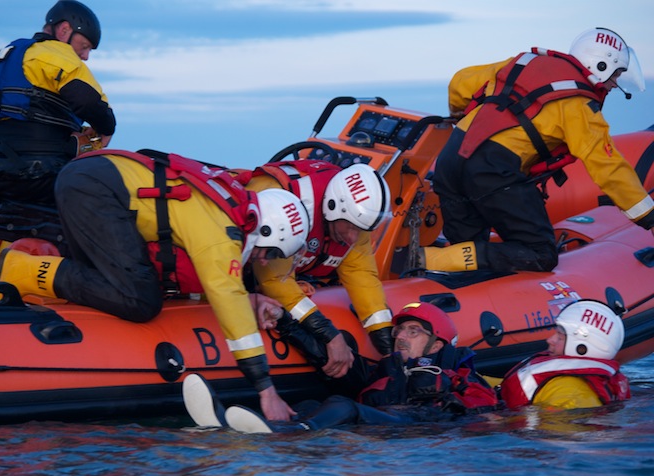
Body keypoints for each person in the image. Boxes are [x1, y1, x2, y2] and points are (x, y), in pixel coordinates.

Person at [0, 149, 311, 422]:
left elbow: (210, 278)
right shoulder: (221, 231)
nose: (266, 261)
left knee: (117, 282)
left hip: (95, 178)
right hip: (97, 188)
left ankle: (37, 281)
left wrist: (252, 300)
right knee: (139, 299)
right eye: (270, 252)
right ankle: (21, 268)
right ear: (265, 229)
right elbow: (226, 294)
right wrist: (266, 390)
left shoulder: (231, 208)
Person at [424, 28, 653, 273]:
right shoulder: (579, 105)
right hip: (492, 169)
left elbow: (461, 82)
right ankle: (430, 260)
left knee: (467, 251)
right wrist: (648, 217)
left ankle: (418, 263)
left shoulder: (525, 63)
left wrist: (460, 114)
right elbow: (609, 167)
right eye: (616, 75)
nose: (614, 83)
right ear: (601, 66)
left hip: (449, 161)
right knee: (540, 252)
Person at [184, 302, 499, 433]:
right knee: (309, 403)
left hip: (418, 429)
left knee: (342, 405)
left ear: (437, 344)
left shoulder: (458, 372)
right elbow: (332, 361)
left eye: (413, 331)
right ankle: (238, 426)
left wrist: (449, 400)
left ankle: (289, 434)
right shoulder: (385, 369)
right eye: (399, 331)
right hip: (383, 426)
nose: (401, 336)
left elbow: (485, 405)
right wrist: (285, 322)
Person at [0, 0, 116, 252]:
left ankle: (3, 275)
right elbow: (89, 101)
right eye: (84, 46)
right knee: (113, 194)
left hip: (0, 172)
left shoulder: (9, 54)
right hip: (42, 171)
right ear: (64, 30)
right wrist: (106, 128)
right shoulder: (51, 52)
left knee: (18, 221)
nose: (85, 56)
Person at [242, 162, 395, 384]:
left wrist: (388, 349)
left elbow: (361, 276)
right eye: (351, 228)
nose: (353, 238)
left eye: (359, 231)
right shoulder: (282, 206)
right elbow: (275, 281)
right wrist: (331, 336)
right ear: (333, 207)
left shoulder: (354, 216)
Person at [500, 300, 631, 410]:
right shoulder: (569, 384)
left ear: (581, 347)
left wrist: (499, 422)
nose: (550, 340)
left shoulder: (569, 393)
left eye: (560, 336)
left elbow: (555, 431)